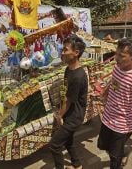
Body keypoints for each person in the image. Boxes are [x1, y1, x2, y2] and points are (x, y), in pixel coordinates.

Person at [98, 38, 132, 169]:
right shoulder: (117, 67)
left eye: (121, 56)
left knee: (115, 160)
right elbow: (114, 82)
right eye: (116, 54)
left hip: (123, 123)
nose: (116, 58)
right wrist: (105, 91)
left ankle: (120, 155)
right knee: (102, 146)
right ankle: (125, 150)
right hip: (108, 116)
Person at [49, 35, 88, 169]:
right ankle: (77, 165)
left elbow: (69, 100)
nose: (62, 53)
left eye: (65, 50)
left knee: (54, 145)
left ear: (76, 53)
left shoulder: (78, 76)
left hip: (74, 115)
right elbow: (65, 93)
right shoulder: (68, 69)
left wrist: (60, 115)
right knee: (68, 141)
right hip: (69, 112)